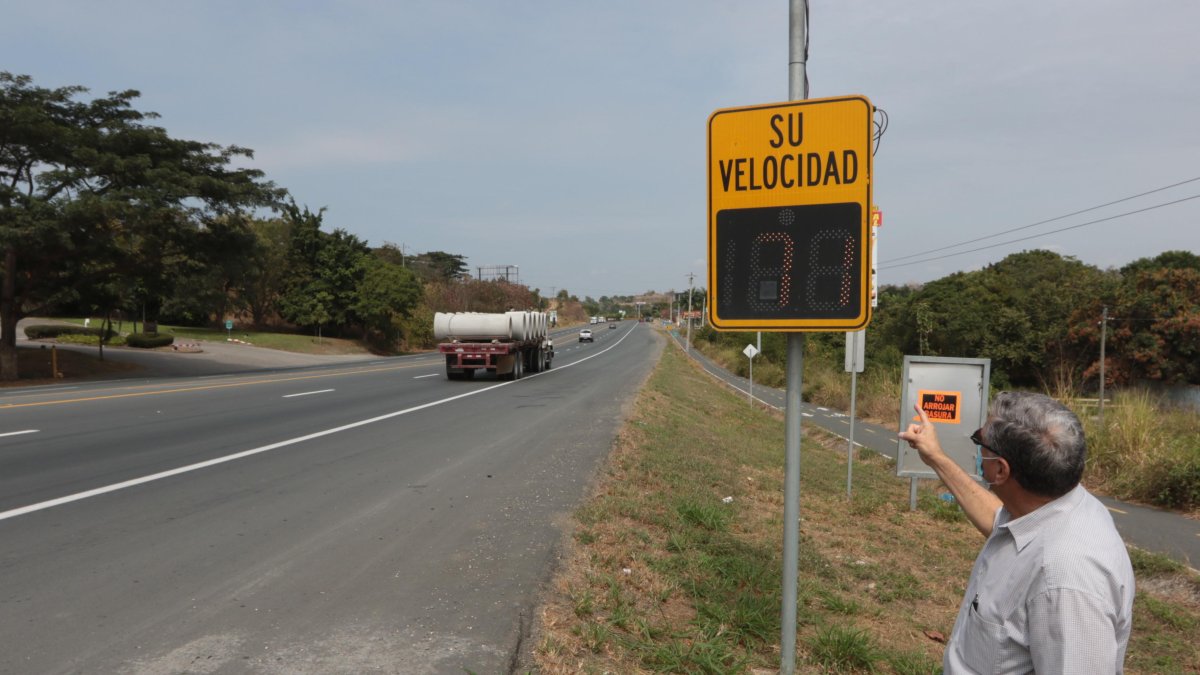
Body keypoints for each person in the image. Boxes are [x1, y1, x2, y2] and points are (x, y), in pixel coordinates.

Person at [899, 391, 1134, 674]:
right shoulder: (1052, 505)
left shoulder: (1066, 582)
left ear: (1000, 470)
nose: (978, 450)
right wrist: (936, 457)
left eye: (979, 441)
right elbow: (995, 517)